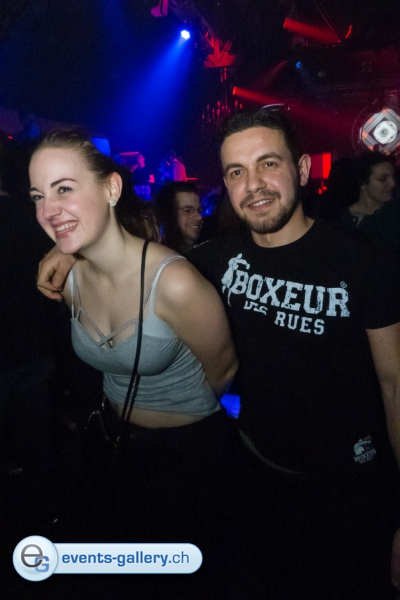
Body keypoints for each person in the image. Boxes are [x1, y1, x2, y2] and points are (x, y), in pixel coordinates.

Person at [36, 111, 400, 599]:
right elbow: (135, 260)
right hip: (252, 474)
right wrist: (69, 250)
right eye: (236, 171)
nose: (254, 184)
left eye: (268, 163)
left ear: (303, 169)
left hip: (349, 489)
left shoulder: (366, 259)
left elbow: (396, 387)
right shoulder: (216, 259)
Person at [30, 127, 237, 599]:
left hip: (188, 457)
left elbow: (224, 372)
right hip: (113, 443)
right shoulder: (68, 279)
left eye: (64, 189)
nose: (48, 210)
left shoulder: (175, 282)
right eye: (39, 196)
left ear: (111, 188)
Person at [339, 151, 400, 248]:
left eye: (393, 177)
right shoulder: (341, 218)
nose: (392, 184)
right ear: (362, 183)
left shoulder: (395, 213)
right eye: (383, 178)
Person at [153, 181, 203, 253]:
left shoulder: (207, 251)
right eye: (188, 211)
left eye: (199, 210)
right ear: (168, 214)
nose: (199, 217)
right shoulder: (157, 254)